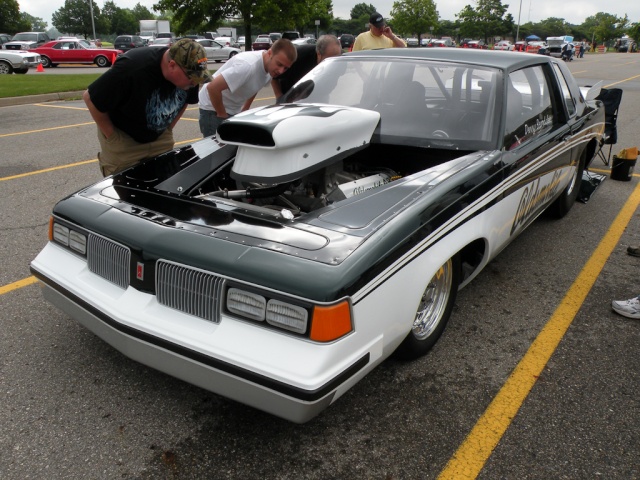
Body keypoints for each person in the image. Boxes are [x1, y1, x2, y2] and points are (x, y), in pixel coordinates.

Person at [83, 38, 207, 176]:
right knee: (124, 189)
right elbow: (90, 98)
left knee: (162, 183)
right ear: (172, 65)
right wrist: (112, 137)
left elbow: (186, 100)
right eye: (192, 78)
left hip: (160, 139)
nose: (195, 83)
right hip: (124, 141)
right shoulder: (131, 67)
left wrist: (168, 129)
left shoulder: (190, 74)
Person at [199, 39, 297, 137]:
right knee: (220, 150)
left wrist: (246, 108)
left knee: (233, 147)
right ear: (270, 53)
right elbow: (212, 87)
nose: (281, 71)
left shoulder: (270, 70)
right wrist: (222, 115)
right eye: (279, 64)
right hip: (212, 109)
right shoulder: (247, 66)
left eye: (285, 68)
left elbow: (255, 85)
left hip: (232, 110)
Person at [271, 35, 342, 99]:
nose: (332, 63)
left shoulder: (339, 63)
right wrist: (280, 97)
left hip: (318, 96)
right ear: (319, 54)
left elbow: (332, 85)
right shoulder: (298, 56)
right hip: (290, 95)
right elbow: (274, 78)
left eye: (335, 59)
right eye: (329, 59)